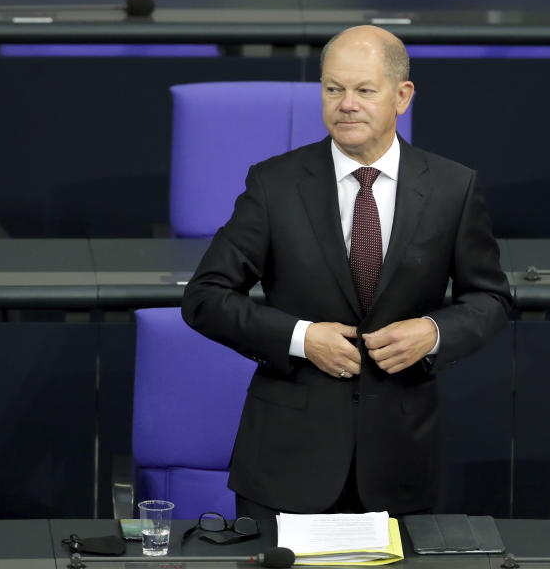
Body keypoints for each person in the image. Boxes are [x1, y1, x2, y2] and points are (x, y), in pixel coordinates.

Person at [181, 25, 512, 518]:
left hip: (400, 465)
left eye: (363, 90)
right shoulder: (275, 184)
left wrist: (434, 331)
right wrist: (301, 337)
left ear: (402, 96)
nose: (346, 104)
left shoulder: (452, 188)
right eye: (333, 89)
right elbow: (205, 297)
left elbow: (491, 299)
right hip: (286, 465)